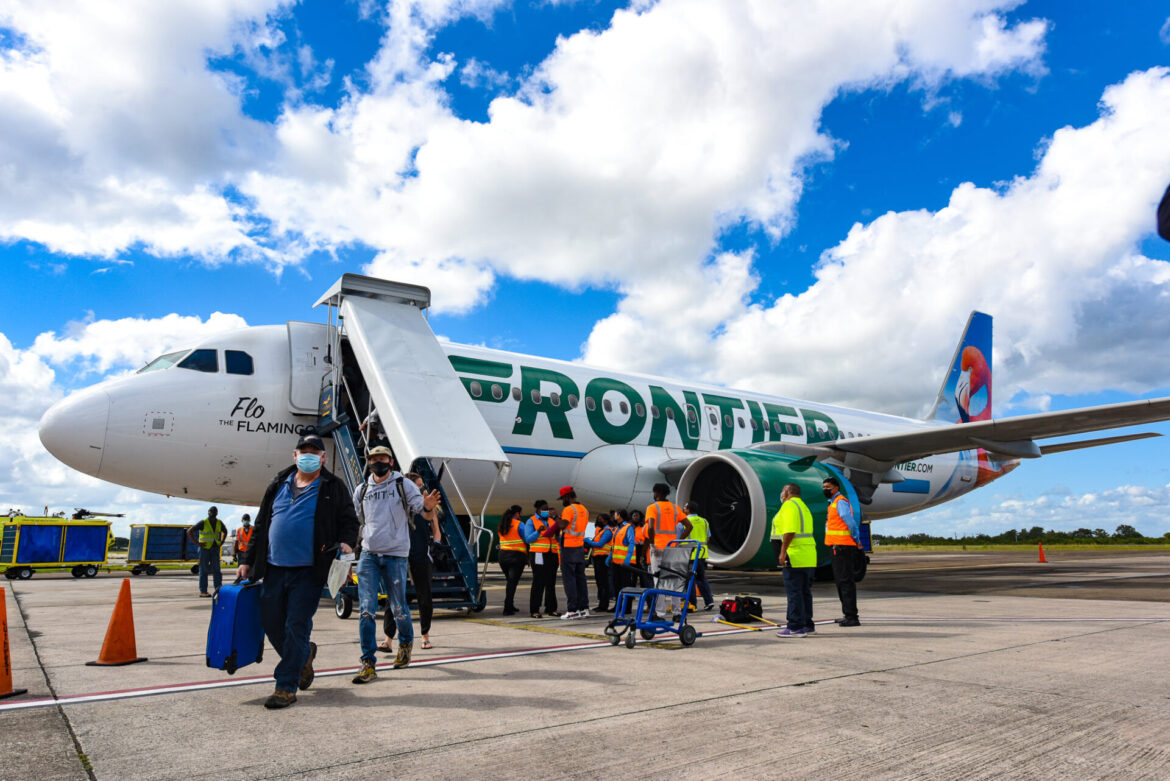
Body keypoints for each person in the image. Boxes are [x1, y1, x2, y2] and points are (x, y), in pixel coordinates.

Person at [238, 431, 359, 709]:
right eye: (303, 451)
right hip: (274, 568)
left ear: (323, 457)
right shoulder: (279, 482)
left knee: (296, 625)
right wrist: (246, 559)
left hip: (309, 570)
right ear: (295, 456)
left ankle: (285, 685)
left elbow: (349, 520)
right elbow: (260, 524)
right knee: (271, 623)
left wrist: (346, 542)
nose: (308, 455)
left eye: (314, 452)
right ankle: (303, 656)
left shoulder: (332, 486)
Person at [351, 447, 440, 684]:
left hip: (396, 555)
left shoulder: (404, 485)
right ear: (368, 462)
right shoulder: (362, 490)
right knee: (367, 609)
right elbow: (358, 522)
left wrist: (429, 507)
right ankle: (368, 663)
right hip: (369, 555)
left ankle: (406, 643)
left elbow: (425, 515)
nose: (378, 462)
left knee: (399, 606)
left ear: (390, 461)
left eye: (382, 458)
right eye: (373, 459)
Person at [380, 471, 442, 652]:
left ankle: (425, 635)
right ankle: (388, 639)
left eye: (422, 485)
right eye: (418, 485)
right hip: (399, 554)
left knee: (425, 596)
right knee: (394, 596)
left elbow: (435, 529)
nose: (422, 488)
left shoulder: (426, 507)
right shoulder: (397, 506)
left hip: (420, 555)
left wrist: (436, 545)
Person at [772, 483, 816, 637]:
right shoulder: (803, 506)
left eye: (782, 491)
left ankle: (795, 626)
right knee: (804, 592)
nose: (781, 494)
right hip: (808, 555)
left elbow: (790, 530)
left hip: (795, 555)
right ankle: (807, 624)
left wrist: (782, 552)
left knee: (794, 592)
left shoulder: (789, 506)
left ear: (787, 492)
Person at [823, 476, 862, 627]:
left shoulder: (841, 502)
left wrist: (856, 538)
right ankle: (848, 614)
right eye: (824, 487)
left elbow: (849, 520)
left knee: (845, 583)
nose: (825, 490)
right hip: (837, 547)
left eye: (828, 487)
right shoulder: (833, 503)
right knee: (841, 582)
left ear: (836, 488)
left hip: (843, 547)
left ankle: (852, 616)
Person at [645, 484, 685, 615]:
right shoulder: (675, 508)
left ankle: (660, 612)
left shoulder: (652, 508)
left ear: (656, 493)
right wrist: (679, 541)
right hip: (672, 548)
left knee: (658, 580)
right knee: (674, 580)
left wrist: (652, 544)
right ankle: (677, 612)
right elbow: (689, 526)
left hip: (658, 548)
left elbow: (651, 528)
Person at [556, 486, 590, 619]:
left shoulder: (569, 509)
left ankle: (572, 609)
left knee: (569, 580)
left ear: (567, 497)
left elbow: (563, 525)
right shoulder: (584, 510)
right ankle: (584, 608)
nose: (562, 502)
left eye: (562, 499)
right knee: (581, 579)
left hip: (568, 548)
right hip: (579, 547)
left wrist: (555, 518)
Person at [522, 500, 560, 618]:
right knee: (538, 582)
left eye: (547, 509)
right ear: (538, 509)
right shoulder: (531, 521)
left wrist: (558, 532)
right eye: (544, 509)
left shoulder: (551, 521)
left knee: (551, 582)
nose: (546, 511)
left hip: (552, 554)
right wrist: (538, 531)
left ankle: (551, 608)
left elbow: (556, 538)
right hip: (538, 554)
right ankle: (534, 610)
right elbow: (528, 539)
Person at [676, 501, 715, 611]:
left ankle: (692, 604)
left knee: (689, 580)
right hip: (702, 554)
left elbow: (678, 540)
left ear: (688, 510)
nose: (683, 509)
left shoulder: (683, 523)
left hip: (688, 555)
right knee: (702, 579)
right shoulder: (704, 521)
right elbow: (708, 538)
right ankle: (709, 601)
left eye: (685, 507)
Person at [187, 506, 227, 597]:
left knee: (216, 570)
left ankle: (218, 589)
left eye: (214, 511)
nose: (213, 513)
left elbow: (225, 531)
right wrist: (197, 543)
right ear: (208, 512)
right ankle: (203, 591)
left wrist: (222, 541)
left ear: (217, 513)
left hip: (215, 549)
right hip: (204, 549)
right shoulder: (203, 522)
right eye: (212, 511)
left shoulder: (219, 523)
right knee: (204, 570)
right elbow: (189, 531)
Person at [495, 505, 527, 616]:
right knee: (512, 583)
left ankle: (510, 604)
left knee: (510, 581)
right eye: (520, 513)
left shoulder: (502, 525)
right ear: (517, 514)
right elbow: (526, 538)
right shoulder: (519, 524)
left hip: (503, 556)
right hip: (516, 556)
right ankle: (507, 607)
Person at [584, 513, 614, 613]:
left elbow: (600, 544)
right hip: (598, 559)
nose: (598, 520)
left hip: (603, 559)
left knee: (603, 583)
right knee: (600, 582)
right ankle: (601, 604)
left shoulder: (607, 531)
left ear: (605, 520)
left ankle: (604, 605)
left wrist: (588, 541)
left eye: (599, 519)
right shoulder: (601, 531)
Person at [607, 510, 637, 601]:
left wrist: (628, 558)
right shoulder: (618, 528)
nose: (614, 516)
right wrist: (610, 556)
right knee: (617, 585)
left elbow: (632, 543)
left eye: (615, 514)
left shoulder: (628, 527)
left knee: (626, 585)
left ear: (619, 516)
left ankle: (626, 607)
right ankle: (618, 605)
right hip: (616, 562)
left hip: (624, 563)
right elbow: (616, 545)